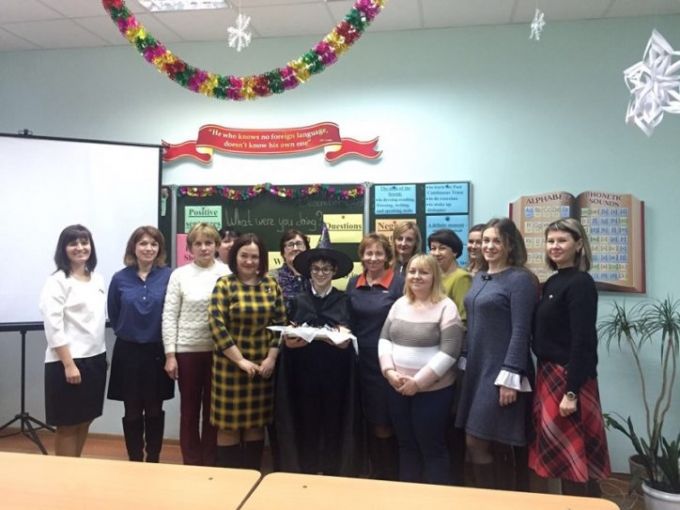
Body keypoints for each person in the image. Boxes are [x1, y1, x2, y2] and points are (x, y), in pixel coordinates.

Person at [529, 218, 611, 497]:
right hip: (548, 374)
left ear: (578, 245)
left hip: (568, 377)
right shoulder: (554, 281)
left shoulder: (581, 283)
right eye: (550, 241)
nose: (555, 246)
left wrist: (572, 391)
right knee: (563, 460)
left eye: (562, 240)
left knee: (575, 458)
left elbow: (583, 340)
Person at [456, 218, 537, 490]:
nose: (489, 246)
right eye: (485, 241)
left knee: (478, 440)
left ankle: (502, 499)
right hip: (477, 369)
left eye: (496, 241)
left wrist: (511, 375)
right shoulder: (481, 276)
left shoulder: (520, 280)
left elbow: (521, 330)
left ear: (510, 245)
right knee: (480, 441)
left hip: (501, 371)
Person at [275, 227, 360, 475]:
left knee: (334, 424)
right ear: (309, 271)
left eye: (326, 269)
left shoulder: (344, 300)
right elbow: (288, 335)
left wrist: (343, 338)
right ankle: (307, 470)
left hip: (336, 376)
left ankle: (333, 471)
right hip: (304, 375)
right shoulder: (298, 301)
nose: (320, 273)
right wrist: (289, 339)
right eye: (316, 269)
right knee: (306, 423)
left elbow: (349, 336)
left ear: (334, 271)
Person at [379, 254, 464, 484]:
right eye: (412, 271)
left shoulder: (446, 307)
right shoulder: (399, 304)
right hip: (397, 388)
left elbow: (450, 352)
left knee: (431, 447)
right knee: (406, 445)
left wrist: (418, 383)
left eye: (424, 272)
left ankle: (437, 498)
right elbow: (384, 340)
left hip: (433, 393)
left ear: (434, 277)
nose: (417, 276)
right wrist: (389, 372)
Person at [209, 233, 287, 469]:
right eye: (244, 255)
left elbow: (280, 324)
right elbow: (217, 326)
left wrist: (271, 358)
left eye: (255, 257)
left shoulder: (271, 285)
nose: (249, 261)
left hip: (262, 368)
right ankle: (231, 480)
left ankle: (252, 474)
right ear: (235, 256)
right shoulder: (224, 284)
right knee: (228, 427)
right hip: (230, 368)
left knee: (256, 425)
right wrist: (240, 360)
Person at [162, 223, 229, 466]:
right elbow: (169, 316)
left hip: (219, 352)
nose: (204, 248)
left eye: (208, 243)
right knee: (189, 411)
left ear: (216, 245)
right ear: (190, 248)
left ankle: (210, 460)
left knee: (213, 411)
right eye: (198, 243)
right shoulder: (179, 275)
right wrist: (170, 355)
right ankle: (191, 461)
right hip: (187, 352)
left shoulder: (226, 273)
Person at [107, 226, 174, 462]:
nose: (148, 248)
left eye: (154, 244)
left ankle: (153, 458)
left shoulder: (169, 276)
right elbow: (114, 314)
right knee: (132, 409)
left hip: (158, 350)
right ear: (133, 248)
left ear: (160, 249)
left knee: (155, 408)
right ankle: (134, 459)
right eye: (143, 243)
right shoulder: (119, 278)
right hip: (128, 352)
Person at [39, 224, 107, 457]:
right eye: (73, 243)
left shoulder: (97, 279)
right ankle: (64, 473)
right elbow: (53, 326)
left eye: (84, 242)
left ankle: (75, 467)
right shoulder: (57, 281)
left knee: (86, 419)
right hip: (67, 362)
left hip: (95, 360)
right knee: (68, 424)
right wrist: (68, 364)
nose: (80, 247)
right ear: (64, 249)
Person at [346, 233, 405, 479]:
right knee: (363, 420)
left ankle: (387, 476)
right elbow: (349, 319)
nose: (373, 258)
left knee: (384, 422)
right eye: (368, 253)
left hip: (387, 363)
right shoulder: (353, 283)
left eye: (379, 253)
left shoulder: (399, 283)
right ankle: (369, 473)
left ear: (387, 256)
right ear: (362, 256)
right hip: (358, 361)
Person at [428, 228, 471, 321]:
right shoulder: (434, 276)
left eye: (442, 248)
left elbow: (463, 316)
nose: (436, 253)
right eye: (433, 248)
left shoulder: (461, 277)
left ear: (454, 252)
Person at [270, 229, 311, 317]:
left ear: (307, 249)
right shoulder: (271, 278)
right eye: (290, 245)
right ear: (283, 253)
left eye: (299, 244)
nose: (295, 248)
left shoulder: (316, 277)